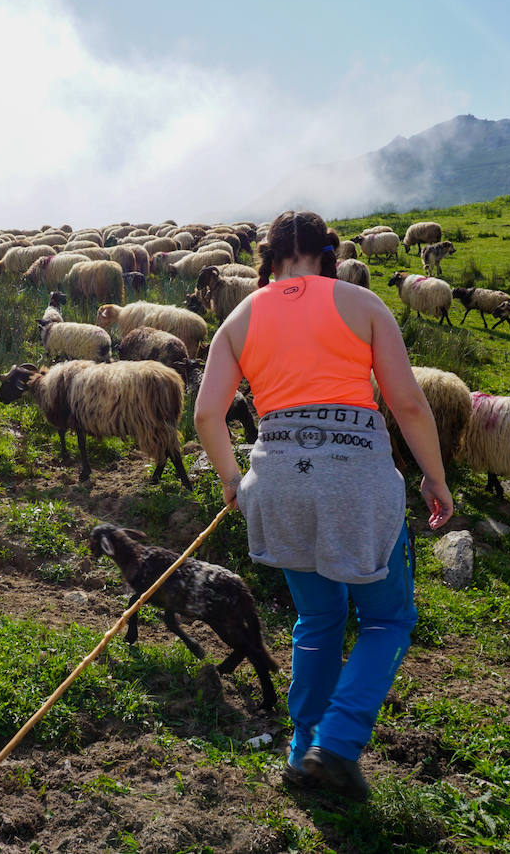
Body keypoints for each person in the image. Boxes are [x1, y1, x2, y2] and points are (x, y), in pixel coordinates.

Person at [193, 210, 453, 803]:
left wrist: (232, 481)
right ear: (327, 253)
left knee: (317, 617)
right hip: (356, 480)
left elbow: (207, 414)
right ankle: (337, 742)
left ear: (268, 258)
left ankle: (301, 748)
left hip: (277, 482)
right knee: (386, 619)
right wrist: (434, 478)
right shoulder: (362, 305)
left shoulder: (239, 317)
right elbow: (409, 404)